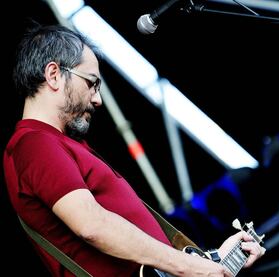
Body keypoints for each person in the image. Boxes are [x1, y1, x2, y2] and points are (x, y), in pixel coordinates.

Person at [3, 24, 265, 277]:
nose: (97, 99)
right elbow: (92, 224)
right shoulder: (35, 143)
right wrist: (189, 266)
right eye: (92, 83)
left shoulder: (59, 143)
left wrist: (215, 260)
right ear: (54, 75)